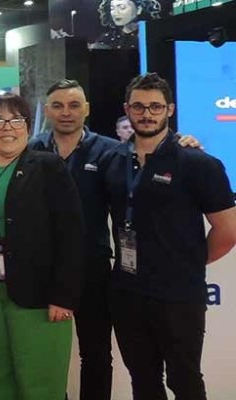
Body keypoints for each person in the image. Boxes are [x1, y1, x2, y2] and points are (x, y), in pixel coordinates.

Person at [99, 73, 236, 400]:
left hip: (178, 294)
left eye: (155, 107)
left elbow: (228, 230)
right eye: (139, 107)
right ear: (127, 110)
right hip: (127, 291)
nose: (147, 114)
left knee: (185, 380)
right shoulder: (112, 161)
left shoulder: (199, 163)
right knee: (142, 380)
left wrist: (190, 261)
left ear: (170, 110)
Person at [0, 93, 85, 399]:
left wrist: (64, 296)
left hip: (38, 294)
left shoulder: (48, 167)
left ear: (28, 126)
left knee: (39, 382)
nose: (7, 128)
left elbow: (71, 235)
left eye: (16, 120)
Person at [28, 79, 120, 400]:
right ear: (47, 110)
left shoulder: (110, 150)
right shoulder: (31, 150)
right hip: (43, 269)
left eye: (74, 105)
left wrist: (182, 141)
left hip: (92, 266)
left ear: (87, 109)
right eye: (58, 106)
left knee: (95, 352)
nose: (66, 112)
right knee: (45, 351)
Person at [92, 0, 162, 49]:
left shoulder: (154, 35)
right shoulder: (106, 39)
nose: (115, 13)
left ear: (139, 9)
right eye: (112, 8)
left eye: (122, 7)